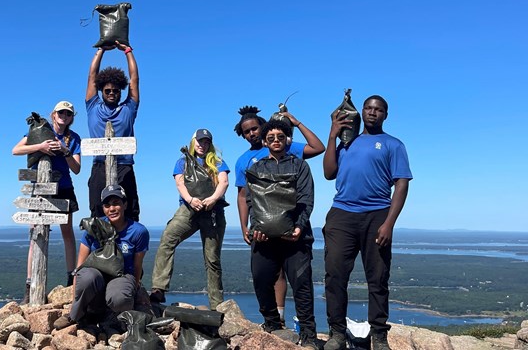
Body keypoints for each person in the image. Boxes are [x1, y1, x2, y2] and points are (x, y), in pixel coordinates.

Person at [322, 95, 412, 350]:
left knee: (378, 277)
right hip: (342, 214)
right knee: (335, 275)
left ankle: (379, 335)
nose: (373, 112)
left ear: (385, 115)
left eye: (379, 109)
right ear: (361, 112)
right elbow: (328, 173)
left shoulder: (393, 145)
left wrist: (389, 223)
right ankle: (337, 332)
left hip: (378, 215)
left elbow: (401, 184)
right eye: (369, 108)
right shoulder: (346, 141)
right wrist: (332, 135)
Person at [234, 105, 324, 326]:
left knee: (300, 281)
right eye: (248, 131)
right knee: (262, 278)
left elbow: (306, 196)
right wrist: (249, 227)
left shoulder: (296, 160)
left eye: (280, 136)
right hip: (264, 232)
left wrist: (296, 121)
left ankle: (307, 333)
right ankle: (273, 323)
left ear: (287, 139)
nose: (275, 140)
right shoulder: (247, 164)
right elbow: (246, 197)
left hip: (295, 231)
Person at [150, 129, 229, 310]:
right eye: (200, 141)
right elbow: (180, 183)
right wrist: (191, 200)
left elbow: (223, 182)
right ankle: (159, 288)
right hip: (188, 209)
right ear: (194, 142)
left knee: (212, 258)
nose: (203, 145)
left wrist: (213, 199)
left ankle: (216, 304)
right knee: (168, 238)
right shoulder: (183, 162)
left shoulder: (217, 162)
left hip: (213, 211)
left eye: (206, 142)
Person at [12, 101, 82, 303]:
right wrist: (41, 146)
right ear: (53, 114)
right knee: (36, 235)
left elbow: (76, 168)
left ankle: (71, 281)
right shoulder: (41, 130)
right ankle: (30, 285)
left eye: (68, 114)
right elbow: (15, 150)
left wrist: (65, 150)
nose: (64, 116)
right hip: (40, 188)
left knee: (67, 233)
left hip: (64, 188)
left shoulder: (73, 138)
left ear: (71, 118)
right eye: (61, 113)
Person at [54, 185, 150, 330]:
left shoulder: (138, 232)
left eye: (116, 203)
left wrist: (135, 292)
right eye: (107, 205)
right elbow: (79, 269)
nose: (112, 209)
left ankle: (117, 316)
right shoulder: (93, 227)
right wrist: (75, 303)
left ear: (125, 204)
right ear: (103, 208)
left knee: (119, 298)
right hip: (95, 277)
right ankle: (75, 316)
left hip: (122, 275)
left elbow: (137, 267)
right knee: (87, 277)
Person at [86, 41, 140, 220]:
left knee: (130, 212)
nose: (111, 93)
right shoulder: (93, 106)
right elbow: (92, 76)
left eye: (115, 91)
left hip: (125, 166)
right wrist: (101, 50)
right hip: (99, 165)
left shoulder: (128, 109)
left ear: (120, 91)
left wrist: (127, 51)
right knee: (97, 211)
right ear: (101, 90)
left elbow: (134, 79)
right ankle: (100, 248)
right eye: (107, 90)